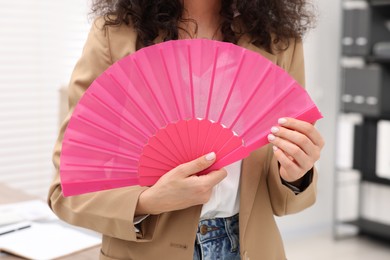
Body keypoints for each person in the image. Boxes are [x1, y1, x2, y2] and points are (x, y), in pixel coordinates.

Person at [48, 0, 324, 259]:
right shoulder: (116, 35)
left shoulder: (279, 41)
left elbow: (284, 199)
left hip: (249, 248)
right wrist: (147, 201)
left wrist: (295, 175)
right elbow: (67, 189)